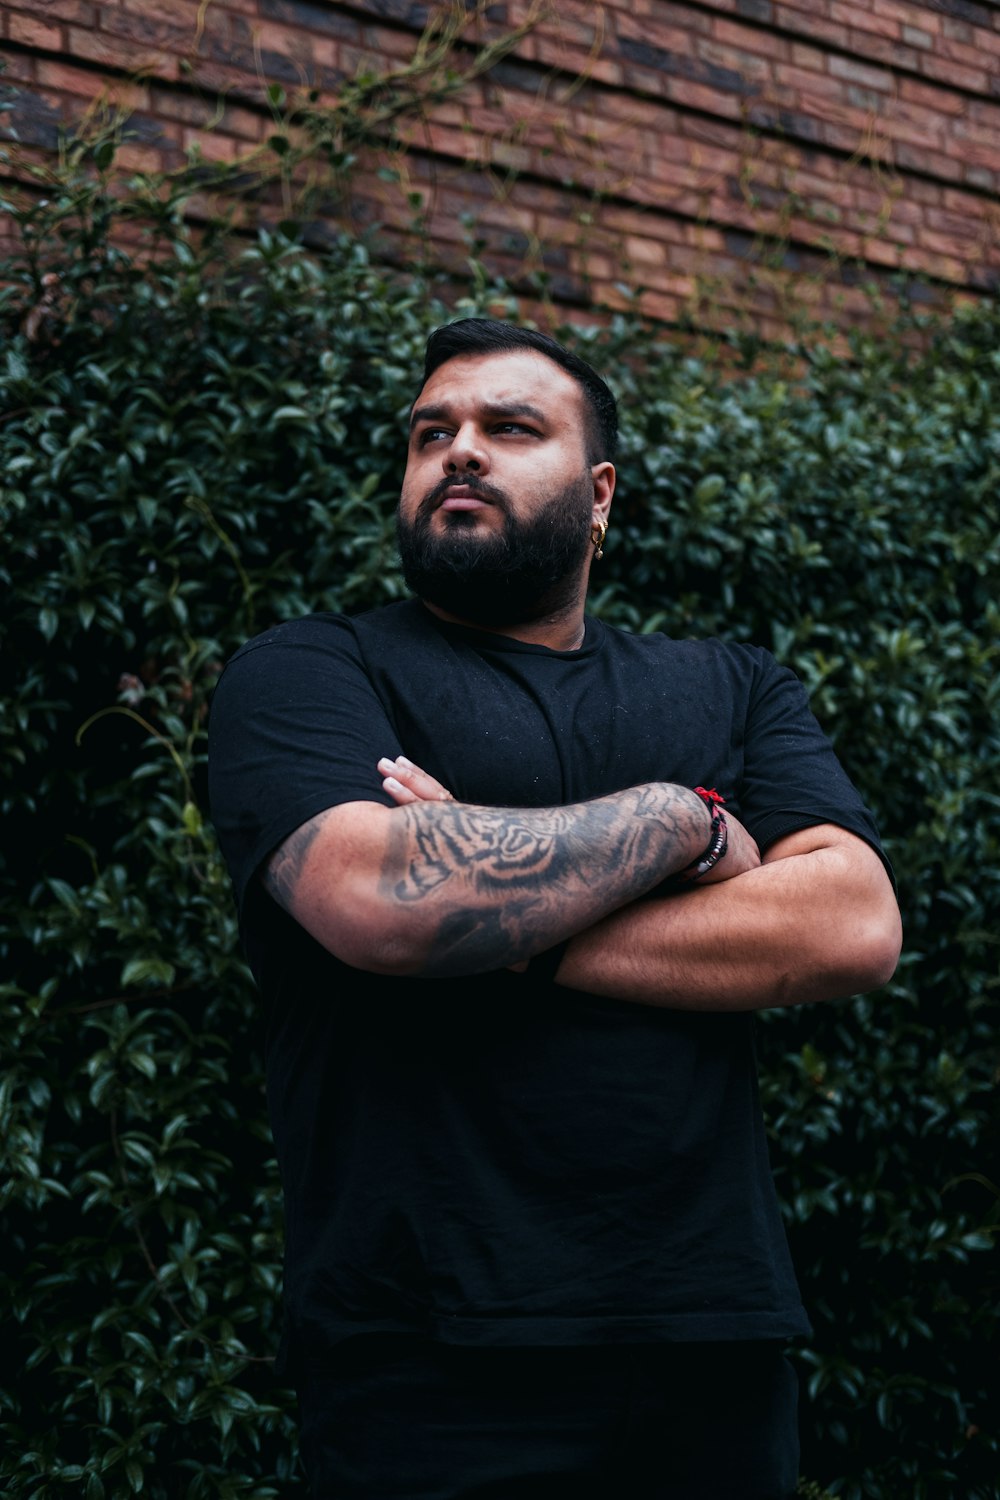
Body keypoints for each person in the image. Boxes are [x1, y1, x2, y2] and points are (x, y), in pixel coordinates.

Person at [207, 318, 901, 1499]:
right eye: (433, 433)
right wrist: (684, 825)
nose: (458, 450)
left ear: (599, 496)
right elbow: (378, 898)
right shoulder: (312, 673)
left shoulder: (731, 683)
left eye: (507, 428)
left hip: (711, 1342)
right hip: (424, 1356)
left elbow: (849, 925)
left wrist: (496, 909)